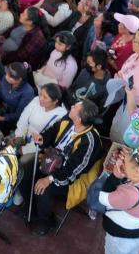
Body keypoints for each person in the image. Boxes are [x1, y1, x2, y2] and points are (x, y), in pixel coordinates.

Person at [29, 98, 102, 235]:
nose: (72, 106)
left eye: (75, 107)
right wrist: (42, 138)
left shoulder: (90, 141)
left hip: (73, 178)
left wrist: (49, 179)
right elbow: (53, 131)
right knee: (27, 169)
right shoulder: (68, 119)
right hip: (53, 162)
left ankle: (47, 222)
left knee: (43, 189)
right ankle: (32, 208)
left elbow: (73, 171)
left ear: (79, 119)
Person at [96, 145, 139, 254]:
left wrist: (114, 176)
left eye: (125, 165)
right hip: (138, 234)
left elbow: (101, 198)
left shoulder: (130, 194)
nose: (122, 167)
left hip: (119, 238)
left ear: (137, 170)